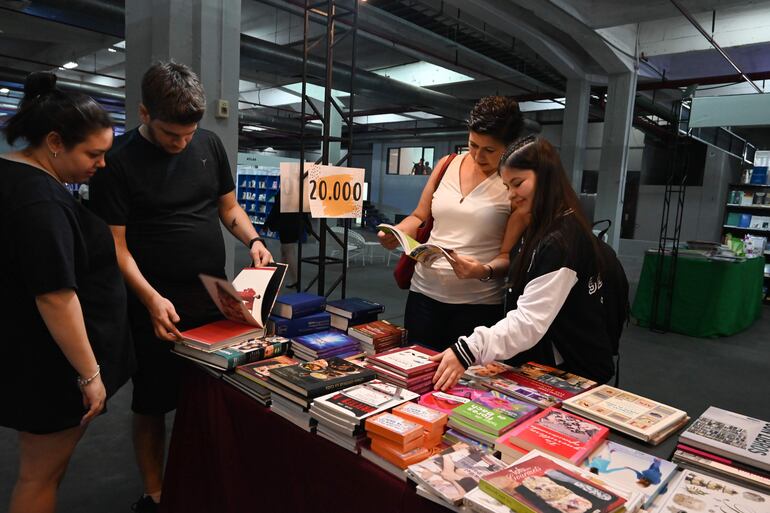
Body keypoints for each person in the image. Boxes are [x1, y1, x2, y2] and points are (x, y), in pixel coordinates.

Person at [89, 61, 272, 513]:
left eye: (189, 134)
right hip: (153, 303)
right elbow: (116, 246)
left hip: (213, 295)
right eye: (172, 135)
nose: (181, 143)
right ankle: (155, 492)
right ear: (145, 113)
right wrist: (150, 298)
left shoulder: (208, 144)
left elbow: (228, 208)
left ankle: (207, 476)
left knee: (218, 391)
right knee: (153, 401)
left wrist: (253, 240)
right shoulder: (116, 160)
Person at [0, 72, 134, 513]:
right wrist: (90, 376)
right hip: (52, 369)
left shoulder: (18, 176)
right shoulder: (40, 200)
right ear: (55, 141)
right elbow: (55, 295)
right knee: (41, 476)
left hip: (32, 355)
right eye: (93, 154)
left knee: (44, 472)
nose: (102, 164)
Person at [431, 135, 618, 390]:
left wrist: (470, 348)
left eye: (518, 184)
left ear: (546, 177)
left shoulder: (560, 240)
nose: (511, 195)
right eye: (507, 186)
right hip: (552, 359)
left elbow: (529, 321)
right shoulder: (546, 223)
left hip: (574, 369)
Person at [378, 96, 527, 351]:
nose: (478, 156)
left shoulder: (515, 183)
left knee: (465, 385)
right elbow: (419, 217)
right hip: (423, 295)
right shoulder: (446, 164)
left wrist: (482, 271)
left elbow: (508, 255)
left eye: (489, 150)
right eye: (472, 145)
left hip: (477, 305)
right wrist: (397, 233)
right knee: (415, 375)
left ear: (510, 146)